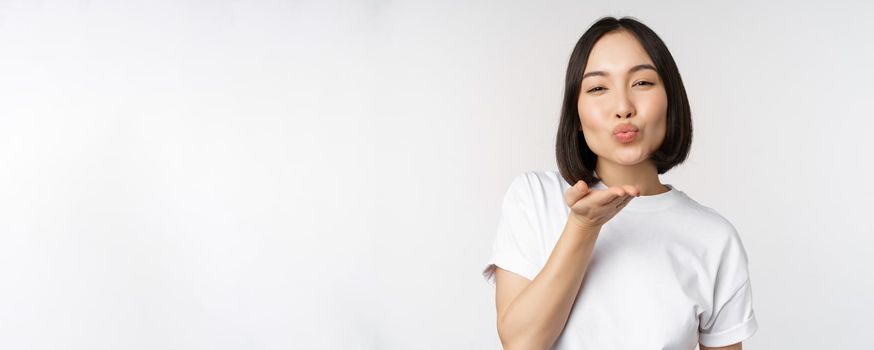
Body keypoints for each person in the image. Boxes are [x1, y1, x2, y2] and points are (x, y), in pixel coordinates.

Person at [481, 16, 758, 349]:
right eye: (598, 88)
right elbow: (521, 343)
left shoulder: (715, 237)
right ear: (577, 116)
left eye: (642, 83)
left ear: (671, 100)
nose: (623, 107)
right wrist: (582, 228)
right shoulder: (534, 197)